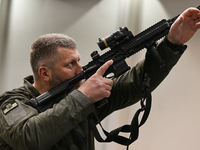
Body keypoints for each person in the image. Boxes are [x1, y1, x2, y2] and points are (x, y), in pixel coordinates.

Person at [0, 7, 200, 150]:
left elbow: (133, 85)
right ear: (44, 73)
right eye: (70, 64)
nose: (80, 69)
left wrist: (171, 45)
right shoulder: (13, 103)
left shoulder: (76, 97)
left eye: (79, 61)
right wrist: (83, 96)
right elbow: (28, 137)